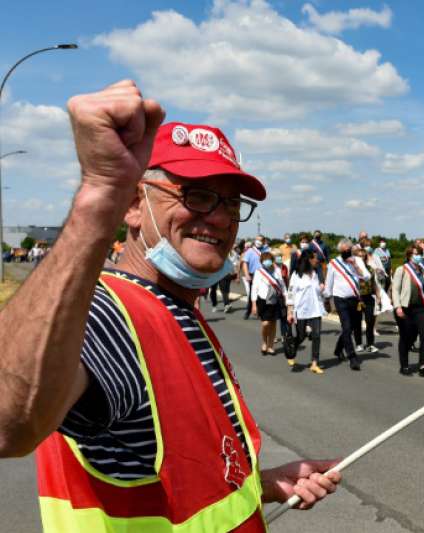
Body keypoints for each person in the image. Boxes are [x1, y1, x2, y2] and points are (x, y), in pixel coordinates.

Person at [0, 84, 339, 531]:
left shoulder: (175, 310)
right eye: (196, 195)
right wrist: (99, 194)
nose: (219, 217)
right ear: (135, 205)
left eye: (233, 203)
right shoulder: (111, 312)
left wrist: (262, 484)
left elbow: (182, 480)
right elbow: (10, 421)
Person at [324, 239, 368, 370]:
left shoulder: (357, 260)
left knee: (353, 327)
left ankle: (338, 349)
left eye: (348, 250)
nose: (346, 252)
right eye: (343, 251)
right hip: (340, 299)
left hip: (355, 298)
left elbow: (366, 276)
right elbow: (329, 282)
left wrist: (355, 265)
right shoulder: (334, 263)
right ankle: (352, 357)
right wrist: (326, 299)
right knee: (347, 327)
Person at [391, 245, 424, 378]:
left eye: (420, 254)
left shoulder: (423, 270)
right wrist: (397, 306)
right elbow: (395, 289)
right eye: (416, 254)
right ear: (409, 255)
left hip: (421, 308)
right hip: (406, 308)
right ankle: (404, 365)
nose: (419, 256)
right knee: (407, 337)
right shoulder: (402, 269)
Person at [287, 249, 327, 374]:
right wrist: (290, 311)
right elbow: (290, 294)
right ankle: (291, 350)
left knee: (316, 336)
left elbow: (317, 292)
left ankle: (314, 363)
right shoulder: (296, 275)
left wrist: (323, 293)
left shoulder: (315, 274)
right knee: (301, 335)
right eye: (315, 258)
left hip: (315, 310)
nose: (317, 260)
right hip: (301, 310)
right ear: (309, 259)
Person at [251, 251, 286, 356]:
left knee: (273, 324)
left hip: (275, 300)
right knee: (265, 323)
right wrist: (253, 304)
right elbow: (254, 288)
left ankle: (270, 346)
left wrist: (286, 298)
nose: (267, 262)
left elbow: (283, 286)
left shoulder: (277, 271)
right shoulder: (259, 272)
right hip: (263, 301)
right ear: (261, 261)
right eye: (265, 260)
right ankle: (264, 342)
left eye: (269, 259)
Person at [352, 246, 379, 353]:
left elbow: (374, 283)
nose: (361, 258)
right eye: (359, 256)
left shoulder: (370, 269)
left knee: (370, 321)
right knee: (357, 322)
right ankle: (358, 344)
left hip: (368, 297)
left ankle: (370, 344)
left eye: (363, 256)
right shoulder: (352, 270)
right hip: (357, 298)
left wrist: (378, 296)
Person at [242, 234, 265, 319]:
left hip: (264, 275)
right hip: (253, 275)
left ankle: (260, 312)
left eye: (260, 240)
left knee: (262, 294)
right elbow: (245, 263)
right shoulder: (250, 251)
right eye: (257, 240)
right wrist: (247, 274)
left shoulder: (266, 250)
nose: (258, 242)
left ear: (263, 242)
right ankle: (248, 311)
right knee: (253, 293)